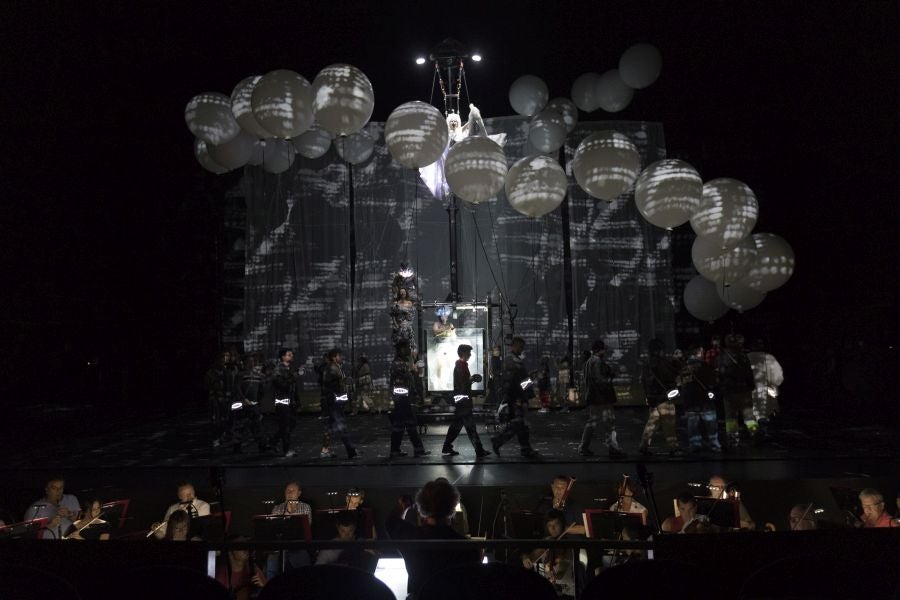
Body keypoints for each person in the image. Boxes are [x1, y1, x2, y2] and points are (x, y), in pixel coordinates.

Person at [386, 478, 482, 599]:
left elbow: (391, 522)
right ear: (453, 507)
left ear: (422, 506)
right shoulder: (469, 548)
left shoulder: (411, 537)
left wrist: (404, 506)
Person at [491, 337, 538, 457]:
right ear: (514, 346)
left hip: (516, 396)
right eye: (520, 347)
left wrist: (528, 379)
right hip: (515, 397)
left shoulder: (514, 359)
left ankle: (525, 449)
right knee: (518, 423)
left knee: (521, 425)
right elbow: (514, 382)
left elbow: (517, 381)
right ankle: (499, 440)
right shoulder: (512, 360)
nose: (521, 349)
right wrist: (529, 380)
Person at [578, 340, 626, 458]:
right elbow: (600, 380)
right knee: (609, 423)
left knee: (592, 423)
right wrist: (611, 377)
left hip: (594, 397)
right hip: (602, 398)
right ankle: (613, 448)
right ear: (600, 350)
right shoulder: (597, 361)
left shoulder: (590, 361)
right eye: (604, 349)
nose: (605, 351)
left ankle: (583, 447)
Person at [442, 344, 491, 458]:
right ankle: (479, 450)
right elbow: (463, 384)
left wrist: (471, 379)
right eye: (468, 352)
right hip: (463, 401)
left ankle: (446, 446)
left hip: (461, 401)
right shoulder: (461, 366)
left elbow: (462, 383)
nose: (470, 354)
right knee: (470, 427)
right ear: (463, 353)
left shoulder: (461, 365)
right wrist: (472, 379)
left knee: (456, 426)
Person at [638, 338, 684, 456]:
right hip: (664, 398)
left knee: (652, 423)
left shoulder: (647, 363)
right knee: (669, 423)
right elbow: (670, 376)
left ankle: (643, 446)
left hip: (653, 398)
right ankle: (674, 448)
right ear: (659, 350)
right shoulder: (662, 362)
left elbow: (643, 381)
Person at [522, 511, 577, 600]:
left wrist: (550, 581)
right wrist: (526, 558)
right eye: (549, 525)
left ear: (562, 525)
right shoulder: (547, 541)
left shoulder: (568, 546)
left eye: (556, 524)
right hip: (549, 590)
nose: (553, 528)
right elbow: (531, 557)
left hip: (566, 593)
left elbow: (561, 576)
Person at [389, 340, 429, 457]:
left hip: (403, 398)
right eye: (407, 347)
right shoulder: (398, 363)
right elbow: (407, 377)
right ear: (401, 349)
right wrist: (412, 369)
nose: (409, 350)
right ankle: (418, 450)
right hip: (402, 399)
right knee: (410, 424)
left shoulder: (402, 362)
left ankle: (395, 450)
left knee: (400, 425)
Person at [717, 334, 758, 448]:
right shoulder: (743, 356)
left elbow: (720, 374)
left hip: (729, 392)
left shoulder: (722, 356)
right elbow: (749, 373)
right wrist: (751, 386)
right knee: (749, 415)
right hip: (744, 391)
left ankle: (733, 437)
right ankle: (754, 433)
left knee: (730, 417)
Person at [679, 345, 722, 453]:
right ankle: (714, 444)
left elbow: (681, 385)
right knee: (710, 424)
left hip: (691, 402)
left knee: (693, 425)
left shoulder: (685, 368)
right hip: (705, 401)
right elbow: (713, 381)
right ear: (699, 353)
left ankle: (695, 444)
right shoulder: (705, 367)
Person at [266, 481, 314, 578]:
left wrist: (290, 514)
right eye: (288, 490)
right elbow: (271, 527)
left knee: (303, 565)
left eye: (293, 490)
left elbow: (306, 526)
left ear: (299, 493)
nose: (290, 493)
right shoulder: (277, 508)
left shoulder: (305, 507)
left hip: (298, 545)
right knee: (272, 561)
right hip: (280, 546)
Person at [320, 348, 358, 459]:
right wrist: (346, 380)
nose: (342, 357)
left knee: (330, 427)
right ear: (333, 357)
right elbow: (337, 384)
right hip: (334, 402)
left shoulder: (335, 367)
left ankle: (325, 450)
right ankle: (351, 451)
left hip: (335, 401)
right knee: (341, 426)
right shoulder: (332, 368)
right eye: (339, 355)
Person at [748, 340, 784, 437]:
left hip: (748, 390)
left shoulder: (746, 357)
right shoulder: (768, 358)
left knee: (750, 413)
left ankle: (754, 432)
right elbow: (778, 376)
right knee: (763, 412)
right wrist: (774, 385)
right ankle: (763, 432)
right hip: (765, 390)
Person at [231, 353, 266, 454]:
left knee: (257, 425)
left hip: (253, 403)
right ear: (245, 362)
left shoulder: (258, 376)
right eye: (249, 361)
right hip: (242, 404)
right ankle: (237, 446)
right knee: (239, 425)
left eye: (253, 361)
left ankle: (262, 445)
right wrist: (243, 399)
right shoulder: (240, 375)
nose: (251, 363)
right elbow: (237, 388)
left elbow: (261, 390)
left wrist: (258, 400)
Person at [215, 535, 267, 600]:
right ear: (230, 552)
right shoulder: (221, 574)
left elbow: (269, 595)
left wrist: (262, 588)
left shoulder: (254, 569)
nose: (246, 549)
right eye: (240, 546)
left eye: (246, 545)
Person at [272, 348, 299, 457]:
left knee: (291, 424)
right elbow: (281, 385)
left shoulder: (290, 369)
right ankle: (286, 450)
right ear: (283, 357)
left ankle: (273, 441)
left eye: (292, 354)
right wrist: (294, 377)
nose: (291, 356)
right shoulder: (278, 369)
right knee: (286, 426)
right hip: (282, 401)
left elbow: (293, 387)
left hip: (290, 401)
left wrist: (297, 400)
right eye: (289, 354)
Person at [391, 287, 417, 353]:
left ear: (406, 293)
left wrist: (408, 322)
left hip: (408, 327)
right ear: (399, 294)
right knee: (399, 346)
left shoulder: (409, 303)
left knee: (410, 344)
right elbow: (393, 315)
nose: (403, 293)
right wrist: (396, 325)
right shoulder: (396, 304)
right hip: (399, 327)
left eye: (404, 292)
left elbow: (412, 315)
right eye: (401, 292)